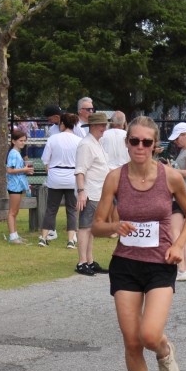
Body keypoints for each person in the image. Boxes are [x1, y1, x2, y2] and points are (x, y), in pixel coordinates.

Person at [92, 116, 186, 371]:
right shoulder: (115, 178)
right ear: (127, 144)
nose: (140, 146)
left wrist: (178, 245)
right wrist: (115, 226)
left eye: (146, 142)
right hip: (125, 265)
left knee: (149, 335)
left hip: (160, 264)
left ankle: (164, 350)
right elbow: (96, 226)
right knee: (132, 341)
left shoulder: (170, 177)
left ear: (155, 145)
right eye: (134, 141)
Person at [75, 111, 112, 275]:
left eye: (105, 125)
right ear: (93, 126)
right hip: (90, 191)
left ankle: (89, 260)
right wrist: (81, 191)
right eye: (101, 125)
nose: (104, 128)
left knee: (91, 227)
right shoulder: (86, 144)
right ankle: (82, 261)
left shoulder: (97, 143)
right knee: (85, 227)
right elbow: (80, 170)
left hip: (98, 191)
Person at [38, 112, 82, 248]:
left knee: (51, 208)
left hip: (55, 176)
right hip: (72, 177)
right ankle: (71, 240)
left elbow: (45, 159)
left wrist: (49, 167)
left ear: (62, 124)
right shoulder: (79, 140)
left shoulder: (53, 138)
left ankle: (43, 237)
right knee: (72, 210)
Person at [164, 122, 186, 281]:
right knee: (182, 234)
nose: (175, 141)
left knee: (175, 232)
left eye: (178, 138)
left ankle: (181, 268)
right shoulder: (185, 150)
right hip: (182, 192)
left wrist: (170, 170)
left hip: (183, 192)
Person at [5, 128, 34, 244]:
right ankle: (13, 237)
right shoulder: (13, 153)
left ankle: (15, 235)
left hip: (18, 185)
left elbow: (17, 169)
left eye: (24, 141)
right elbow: (9, 170)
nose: (23, 143)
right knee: (12, 212)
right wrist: (24, 169)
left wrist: (26, 171)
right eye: (21, 140)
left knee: (15, 211)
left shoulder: (17, 153)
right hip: (14, 186)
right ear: (14, 141)